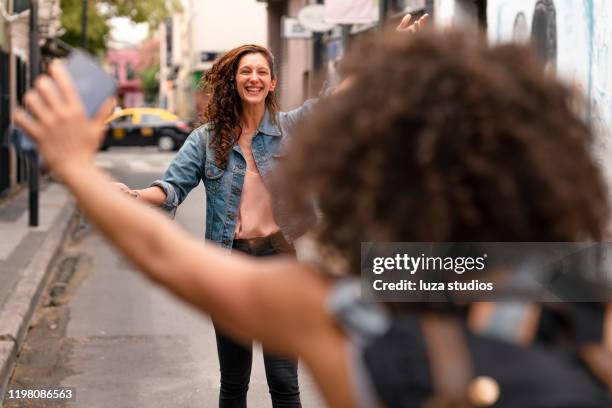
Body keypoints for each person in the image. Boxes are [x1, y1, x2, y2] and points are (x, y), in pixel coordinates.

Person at [14, 28, 612, 407]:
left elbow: (167, 257)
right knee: (234, 382)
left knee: (283, 384)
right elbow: (170, 192)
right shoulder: (582, 288)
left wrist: (74, 166)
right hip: (238, 249)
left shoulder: (354, 311)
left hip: (272, 258)